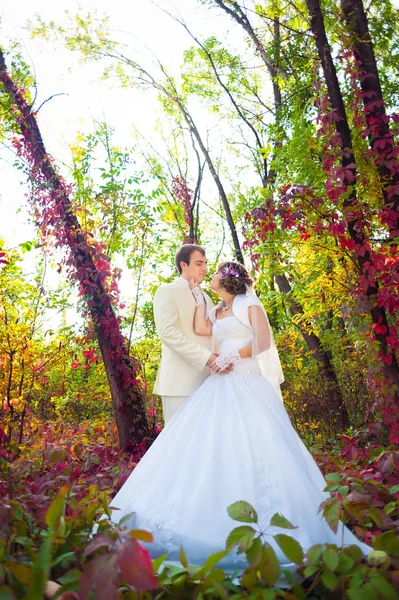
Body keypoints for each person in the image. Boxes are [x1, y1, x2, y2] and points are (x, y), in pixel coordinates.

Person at [110, 261, 370, 571]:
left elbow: (263, 342)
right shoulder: (216, 308)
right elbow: (202, 331)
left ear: (229, 280)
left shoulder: (249, 304)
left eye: (216, 271)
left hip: (245, 380)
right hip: (219, 382)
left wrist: (231, 355)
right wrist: (195, 300)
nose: (211, 274)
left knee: (256, 446)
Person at [152, 244, 217, 425]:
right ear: (183, 265)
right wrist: (207, 357)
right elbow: (167, 333)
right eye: (198, 263)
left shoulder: (207, 298)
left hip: (209, 382)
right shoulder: (167, 291)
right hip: (179, 384)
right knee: (178, 445)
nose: (204, 268)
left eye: (205, 263)